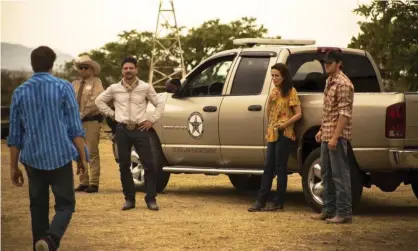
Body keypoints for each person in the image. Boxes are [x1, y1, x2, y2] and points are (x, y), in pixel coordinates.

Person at [7, 46, 88, 251]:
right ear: (52, 64)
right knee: (65, 205)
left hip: (32, 157)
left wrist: (13, 167)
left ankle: (39, 244)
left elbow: (15, 135)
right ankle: (51, 240)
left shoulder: (20, 92)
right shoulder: (63, 87)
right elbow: (74, 128)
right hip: (59, 155)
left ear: (32, 64)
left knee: (38, 207)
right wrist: (82, 159)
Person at [95, 56, 165, 211]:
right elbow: (99, 101)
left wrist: (151, 120)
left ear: (136, 69)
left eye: (131, 68)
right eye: (125, 68)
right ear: (122, 70)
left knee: (150, 164)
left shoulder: (146, 87)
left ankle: (151, 199)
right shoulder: (114, 88)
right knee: (124, 165)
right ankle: (129, 199)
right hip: (122, 130)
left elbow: (160, 103)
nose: (128, 71)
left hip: (141, 129)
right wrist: (112, 114)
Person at [248, 63, 302, 212]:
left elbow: (298, 113)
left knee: (280, 167)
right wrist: (271, 125)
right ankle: (260, 200)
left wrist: (285, 124)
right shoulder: (273, 92)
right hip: (272, 133)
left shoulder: (291, 91)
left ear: (284, 76)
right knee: (268, 167)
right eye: (272, 75)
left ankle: (278, 202)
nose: (274, 78)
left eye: (277, 75)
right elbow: (269, 111)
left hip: (285, 134)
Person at [311, 49, 354, 224]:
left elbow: (344, 113)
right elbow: (330, 110)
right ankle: (328, 210)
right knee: (326, 173)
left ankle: (344, 213)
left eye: (329, 63)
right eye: (325, 63)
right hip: (327, 134)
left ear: (338, 64)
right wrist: (322, 129)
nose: (326, 65)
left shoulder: (344, 84)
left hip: (337, 136)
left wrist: (335, 137)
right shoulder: (329, 81)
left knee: (340, 175)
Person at [72, 55, 105, 193]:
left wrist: (83, 113)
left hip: (91, 121)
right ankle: (83, 181)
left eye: (86, 67)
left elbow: (96, 100)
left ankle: (94, 183)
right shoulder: (74, 84)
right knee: (79, 152)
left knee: (92, 152)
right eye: (81, 67)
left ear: (92, 69)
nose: (83, 70)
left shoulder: (97, 82)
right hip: (76, 123)